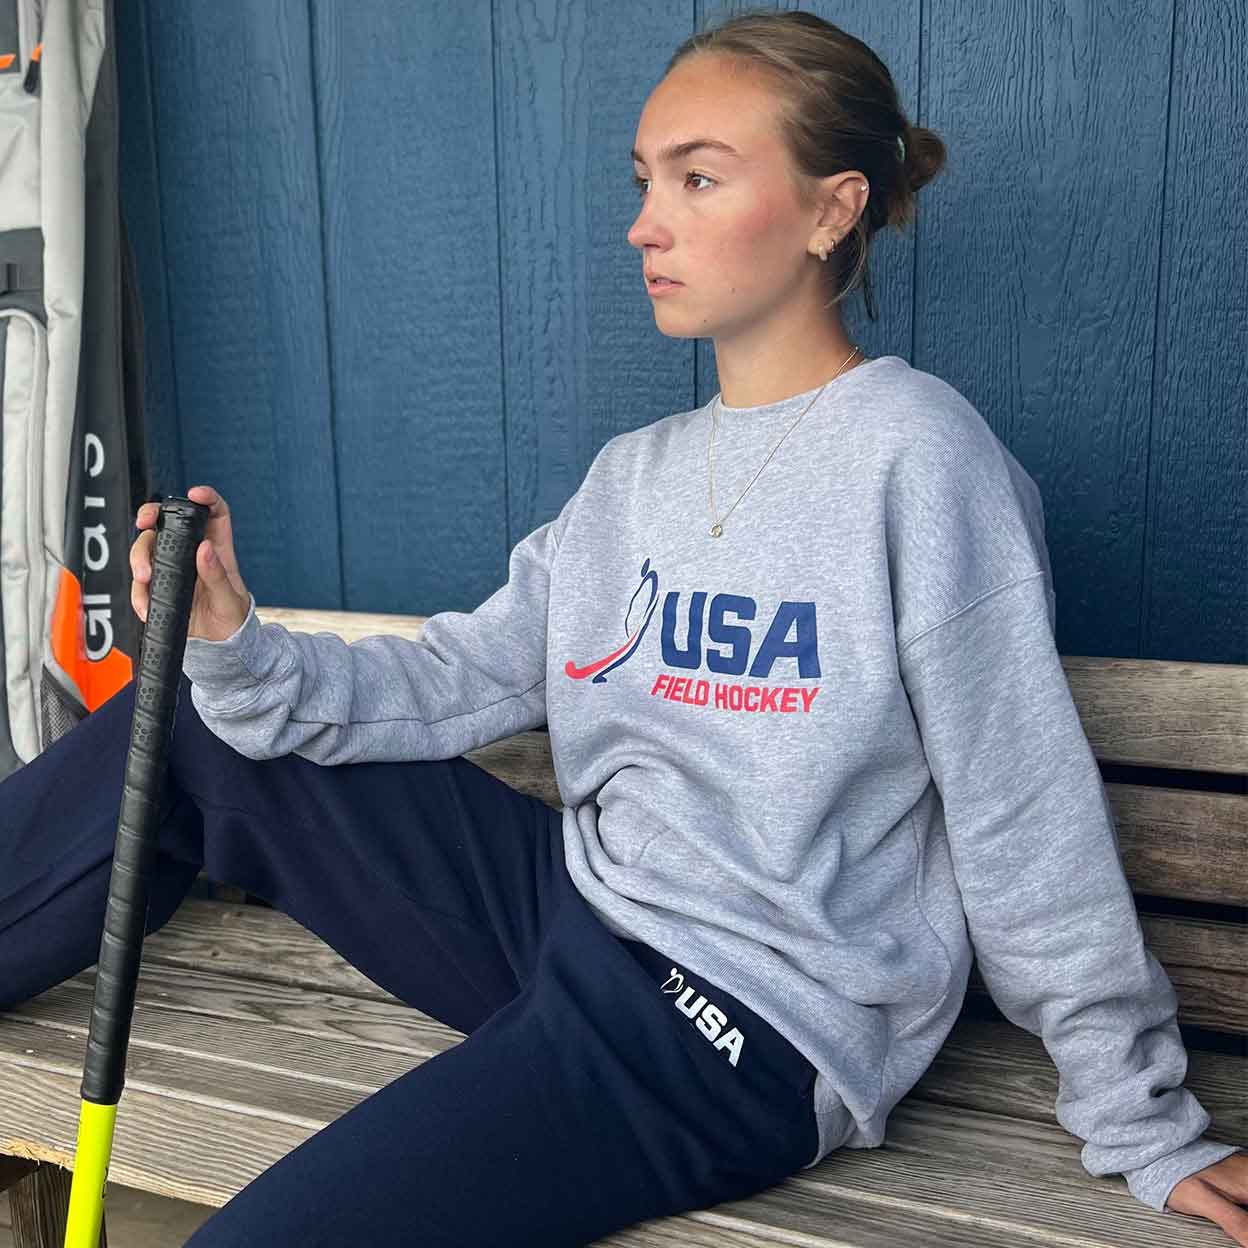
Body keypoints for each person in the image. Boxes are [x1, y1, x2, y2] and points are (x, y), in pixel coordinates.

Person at [2, 8, 1243, 1246]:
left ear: (832, 210)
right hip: (574, 908)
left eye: (698, 178)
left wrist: (1139, 1120)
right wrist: (234, 644)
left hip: (742, 1014)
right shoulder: (634, 477)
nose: (646, 222)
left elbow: (1022, 812)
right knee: (189, 729)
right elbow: (461, 676)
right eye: (644, 180)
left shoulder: (921, 462)